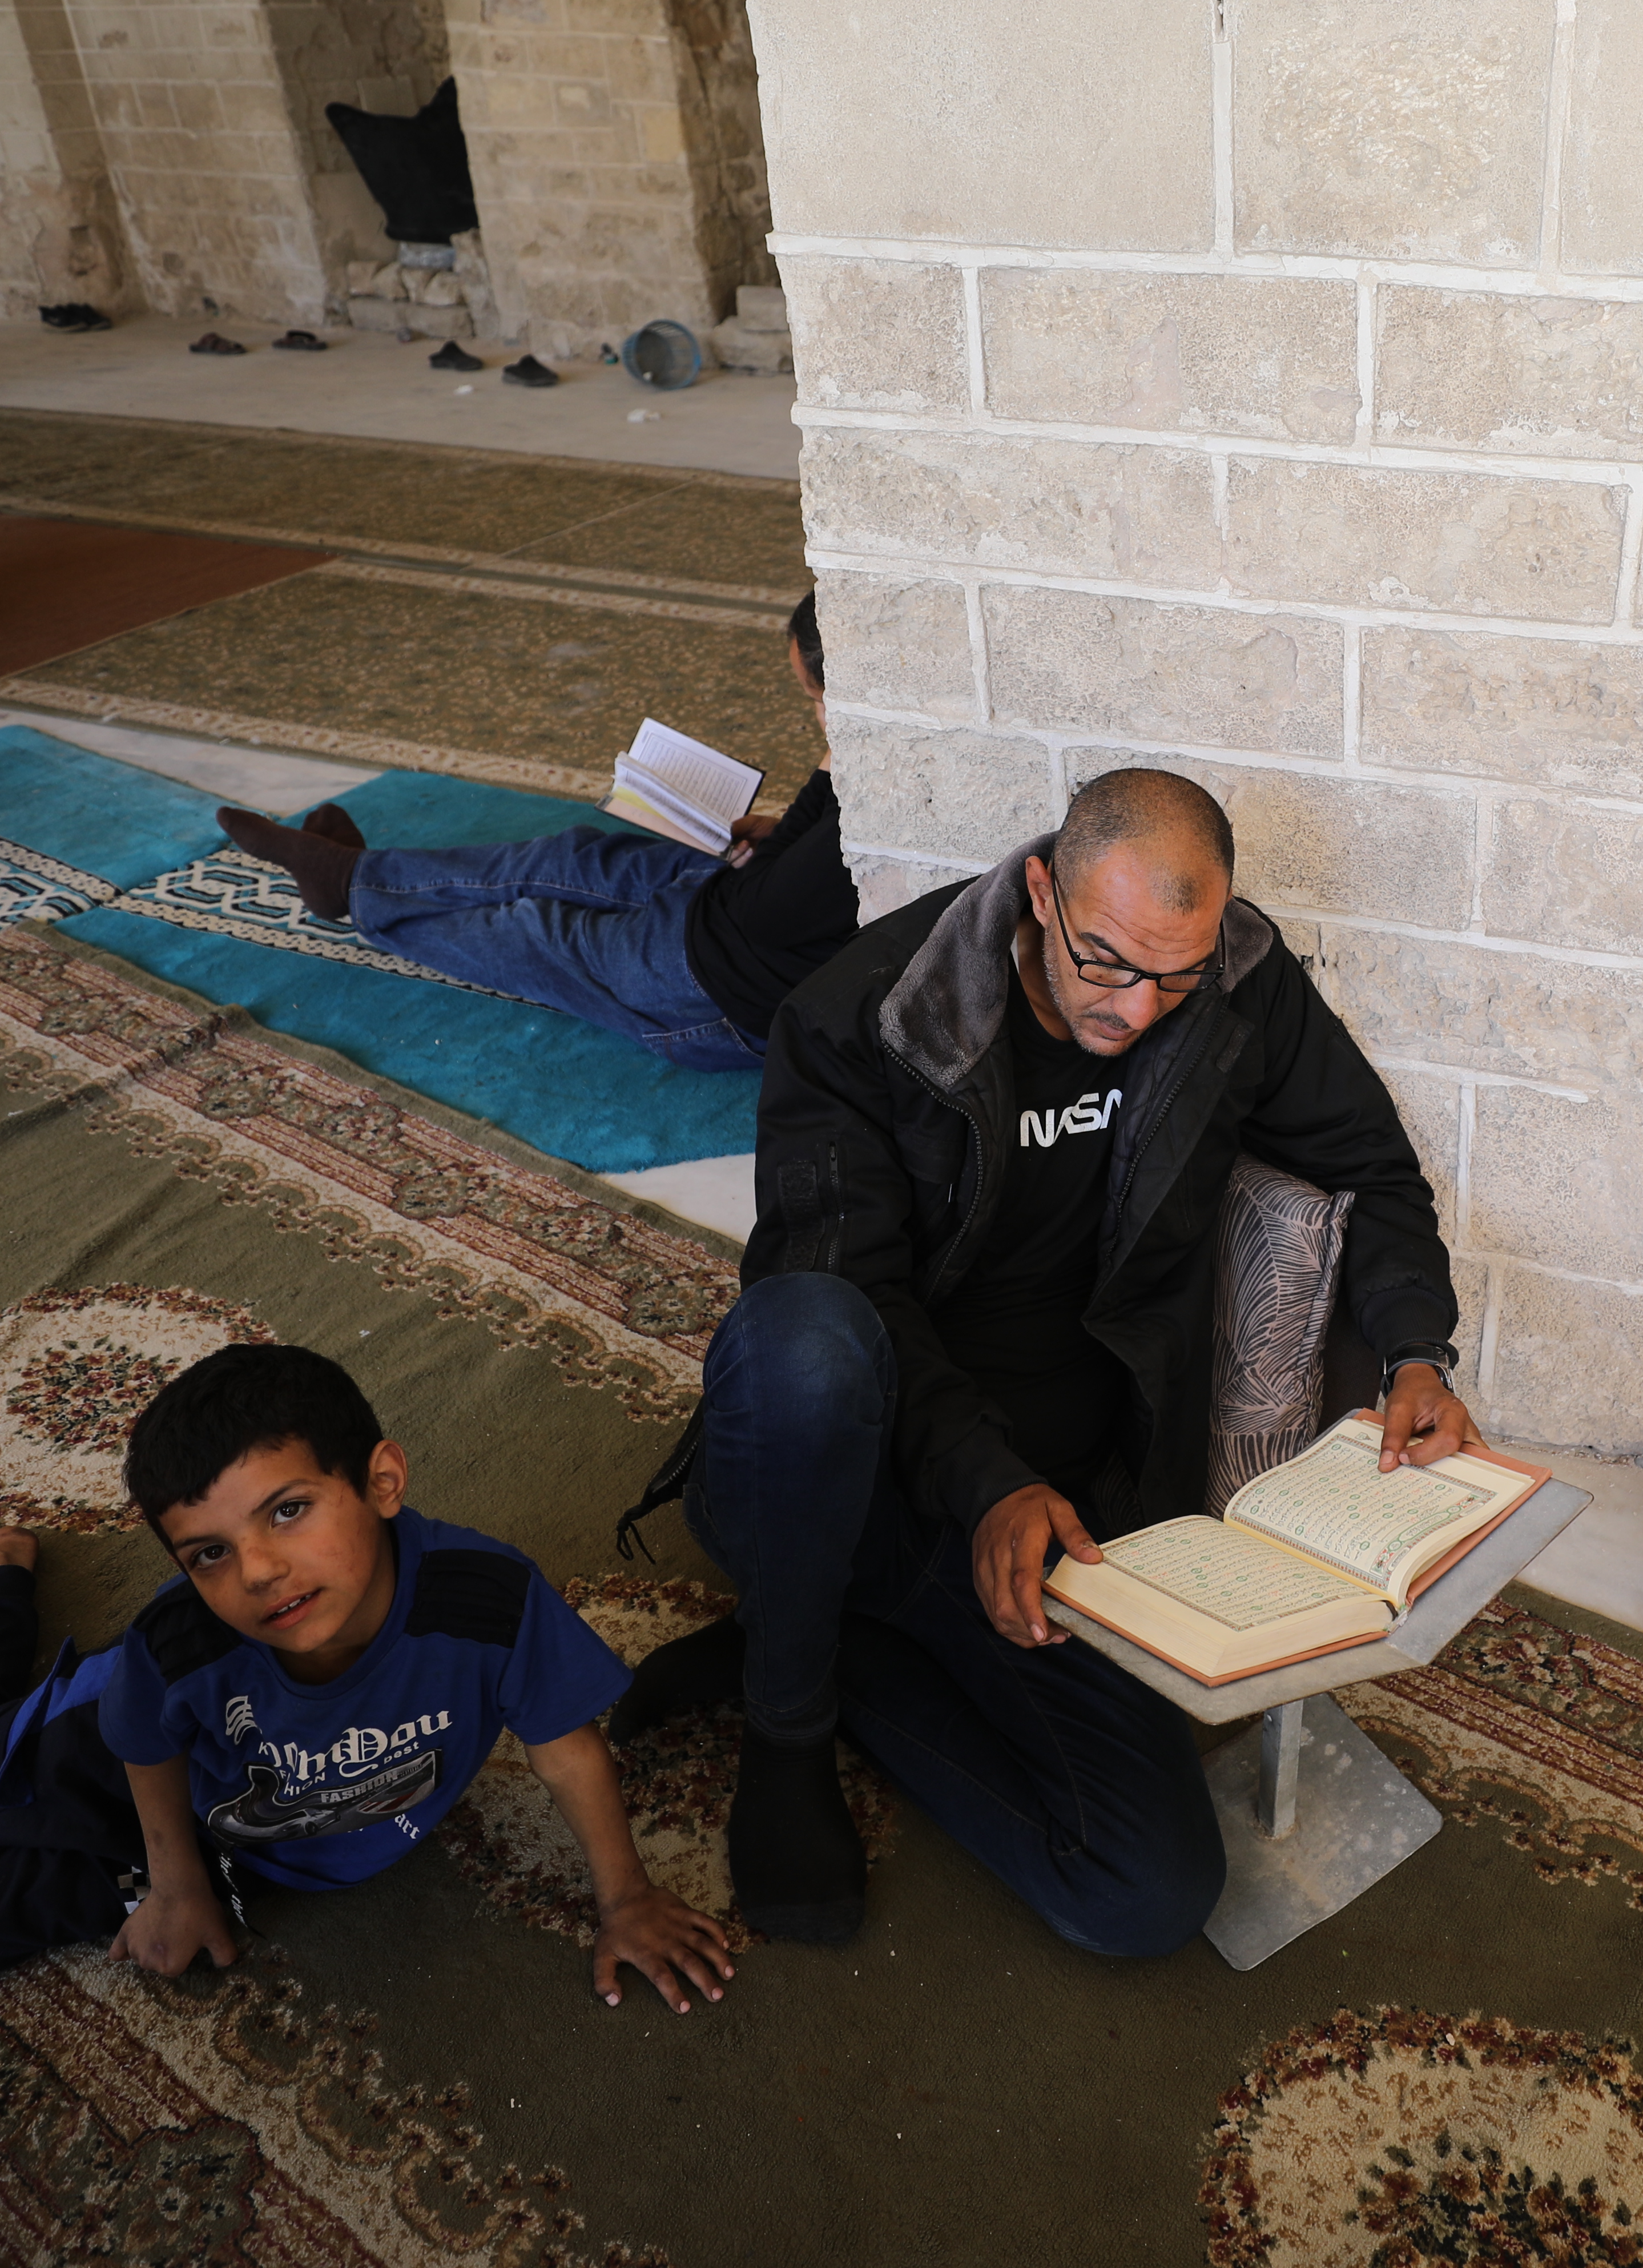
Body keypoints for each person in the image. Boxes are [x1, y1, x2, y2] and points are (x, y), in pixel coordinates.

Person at [609, 767, 1468, 1953]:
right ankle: (786, 1720)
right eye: (1105, 961)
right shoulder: (869, 1014)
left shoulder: (1235, 980)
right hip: (858, 1463)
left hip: (1073, 1511)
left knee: (1146, 1891)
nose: (1139, 1007)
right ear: (1042, 893)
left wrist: (1417, 1352)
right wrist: (985, 1484)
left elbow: (1372, 1166)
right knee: (805, 1335)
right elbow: (847, 1287)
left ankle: (810, 1637)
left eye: (1176, 974)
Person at [0, 1345, 739, 2008]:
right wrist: (174, 1884)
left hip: (233, 1839)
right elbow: (141, 1744)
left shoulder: (487, 1601)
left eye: (288, 1511)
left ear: (382, 1482)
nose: (256, 1573)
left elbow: (566, 1748)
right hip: (110, 1754)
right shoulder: (182, 1642)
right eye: (208, 1553)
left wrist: (626, 1899)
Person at [214, 594, 856, 1069]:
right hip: (737, 908)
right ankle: (351, 876)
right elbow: (800, 863)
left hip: (719, 994)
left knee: (536, 930)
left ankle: (353, 892)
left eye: (816, 700)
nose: (817, 718)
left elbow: (765, 910)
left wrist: (819, 790)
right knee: (574, 857)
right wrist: (792, 823)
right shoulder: (873, 768)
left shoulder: (875, 833)